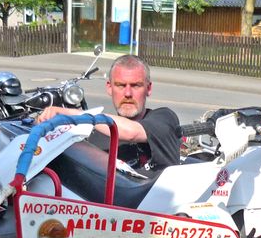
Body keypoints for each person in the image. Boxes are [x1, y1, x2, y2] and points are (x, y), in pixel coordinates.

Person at [36, 54, 181, 173]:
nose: (128, 93)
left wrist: (70, 113)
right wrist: (43, 122)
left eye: (136, 85)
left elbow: (131, 132)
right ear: (109, 88)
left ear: (148, 89)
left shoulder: (164, 118)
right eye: (120, 85)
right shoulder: (93, 134)